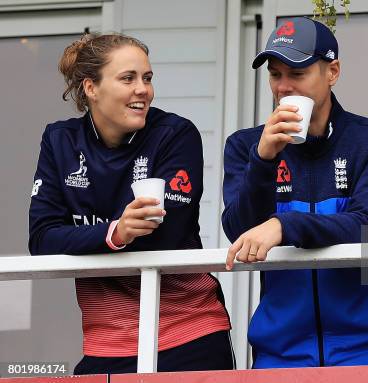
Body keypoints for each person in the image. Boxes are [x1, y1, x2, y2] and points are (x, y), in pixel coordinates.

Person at [28, 33, 233, 374]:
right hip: (105, 340)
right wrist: (115, 233)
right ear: (91, 88)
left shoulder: (175, 134)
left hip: (190, 332)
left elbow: (165, 236)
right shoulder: (59, 139)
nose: (143, 90)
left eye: (147, 78)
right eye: (128, 78)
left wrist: (101, 236)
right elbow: (42, 240)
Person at [222, 17, 368, 368]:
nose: (284, 87)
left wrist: (285, 226)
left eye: (297, 73)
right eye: (276, 75)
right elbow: (238, 231)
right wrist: (263, 160)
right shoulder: (246, 145)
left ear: (332, 72)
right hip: (279, 353)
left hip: (366, 348)